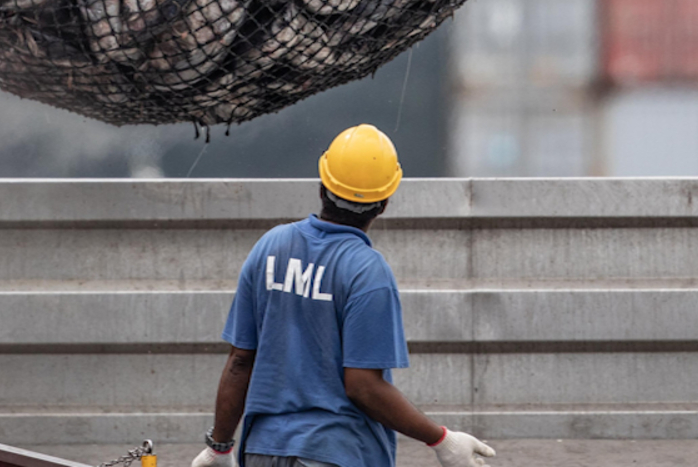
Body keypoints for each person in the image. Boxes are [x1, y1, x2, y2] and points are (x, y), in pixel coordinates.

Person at [189, 125, 496, 467]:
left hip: (264, 450)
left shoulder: (270, 247)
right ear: (383, 204)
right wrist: (441, 439)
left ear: (322, 187)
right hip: (338, 453)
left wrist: (219, 446)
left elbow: (240, 361)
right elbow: (363, 387)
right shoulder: (367, 272)